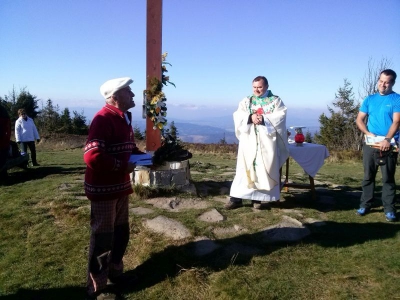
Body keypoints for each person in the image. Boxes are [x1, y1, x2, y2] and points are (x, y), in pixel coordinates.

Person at [84, 77, 144, 300]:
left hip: (119, 187)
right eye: (129, 91)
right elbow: (92, 156)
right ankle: (97, 289)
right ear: (115, 97)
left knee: (121, 234)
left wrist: (147, 158)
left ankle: (115, 273)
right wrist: (121, 166)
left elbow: (128, 149)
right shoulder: (103, 118)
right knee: (102, 238)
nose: (134, 95)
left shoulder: (123, 118)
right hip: (104, 190)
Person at [225, 76, 289, 210]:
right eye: (254, 87)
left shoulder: (276, 101)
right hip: (249, 141)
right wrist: (250, 117)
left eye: (259, 87)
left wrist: (264, 118)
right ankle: (236, 198)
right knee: (244, 169)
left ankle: (259, 199)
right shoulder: (247, 100)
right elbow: (238, 115)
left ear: (266, 86)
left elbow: (281, 116)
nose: (257, 90)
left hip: (266, 142)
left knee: (263, 169)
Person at [355, 69, 400, 222]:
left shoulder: (396, 99)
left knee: (387, 178)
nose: (383, 84)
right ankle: (365, 204)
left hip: (389, 144)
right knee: (368, 176)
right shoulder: (369, 99)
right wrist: (367, 133)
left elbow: (397, 121)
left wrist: (388, 139)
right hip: (371, 144)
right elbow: (359, 119)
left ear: (392, 83)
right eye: (381, 81)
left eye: (387, 82)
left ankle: (389, 208)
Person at [0, 103, 11, 183]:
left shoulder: (2, 112)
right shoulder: (3, 110)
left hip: (3, 142)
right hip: (4, 142)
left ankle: (3, 176)